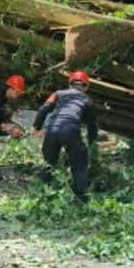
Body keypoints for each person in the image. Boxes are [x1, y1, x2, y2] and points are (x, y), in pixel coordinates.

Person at [31, 71, 98, 204]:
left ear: (69, 84)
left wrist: (36, 127)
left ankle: (42, 196)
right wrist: (92, 143)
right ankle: (80, 199)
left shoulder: (58, 94)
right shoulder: (88, 100)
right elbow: (92, 125)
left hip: (52, 130)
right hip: (70, 131)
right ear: (86, 87)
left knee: (48, 163)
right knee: (80, 164)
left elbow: (44, 109)